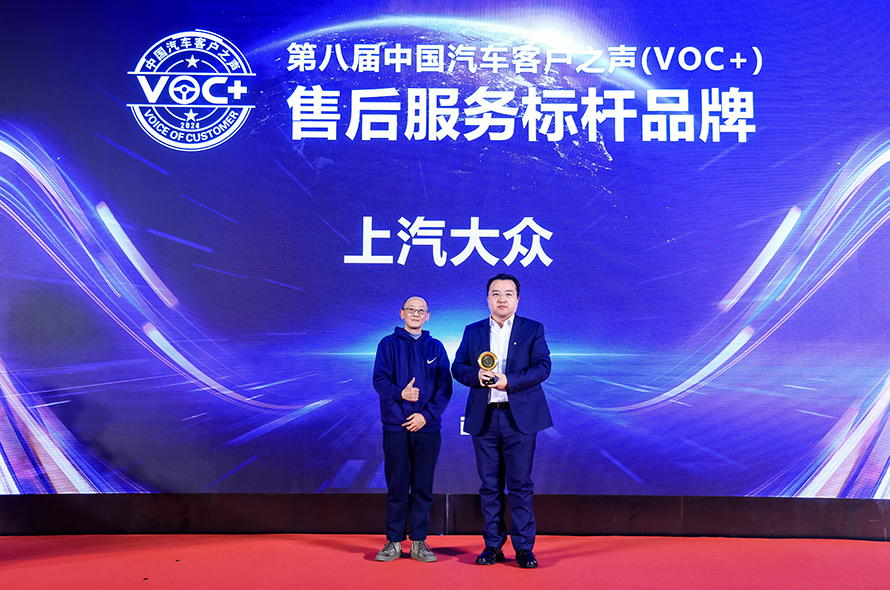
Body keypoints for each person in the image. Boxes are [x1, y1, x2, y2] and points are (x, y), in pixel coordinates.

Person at [452, 273, 552, 569]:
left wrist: (509, 381)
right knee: (489, 485)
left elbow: (543, 367)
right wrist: (476, 376)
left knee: (520, 484)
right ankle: (493, 545)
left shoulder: (533, 328)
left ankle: (524, 548)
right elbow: (458, 367)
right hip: (484, 417)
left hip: (519, 417)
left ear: (517, 299)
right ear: (488, 299)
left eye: (508, 294)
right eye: (496, 293)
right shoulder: (473, 331)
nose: (502, 299)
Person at [373, 296, 453, 562]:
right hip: (395, 428)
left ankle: (419, 542)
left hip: (427, 429)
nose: (416, 314)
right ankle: (394, 542)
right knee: (397, 487)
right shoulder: (387, 344)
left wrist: (425, 416)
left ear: (427, 316)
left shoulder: (436, 347)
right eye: (411, 310)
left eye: (421, 310)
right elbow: (379, 381)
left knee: (422, 487)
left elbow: (445, 387)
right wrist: (401, 393)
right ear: (402, 313)